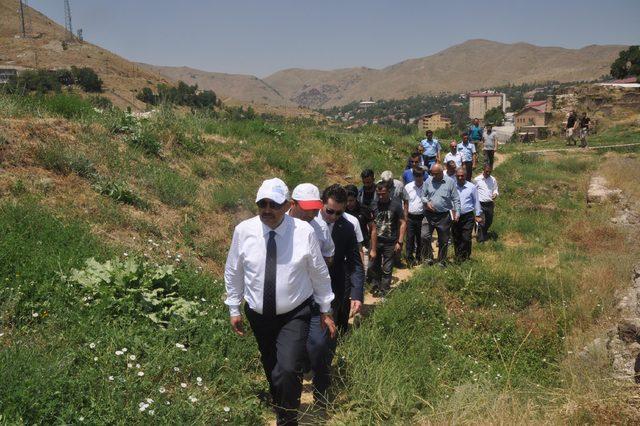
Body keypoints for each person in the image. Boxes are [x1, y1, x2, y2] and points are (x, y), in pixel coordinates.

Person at [224, 178, 336, 425]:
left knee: (288, 367)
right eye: (262, 204)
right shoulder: (244, 231)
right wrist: (234, 307)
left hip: (294, 313)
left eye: (273, 204)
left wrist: (326, 308)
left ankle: (287, 419)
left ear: (286, 205)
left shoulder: (303, 232)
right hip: (258, 313)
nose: (267, 210)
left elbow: (318, 271)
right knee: (272, 365)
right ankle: (281, 404)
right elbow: (234, 270)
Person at [307, 184, 364, 404]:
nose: (334, 216)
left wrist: (357, 294)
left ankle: (322, 388)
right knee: (307, 337)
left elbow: (356, 264)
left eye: (339, 212)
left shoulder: (347, 228)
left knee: (327, 340)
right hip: (304, 290)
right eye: (330, 211)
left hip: (334, 290)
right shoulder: (306, 224)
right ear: (322, 204)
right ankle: (306, 366)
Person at [368, 180, 406, 296]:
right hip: (376, 241)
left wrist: (400, 241)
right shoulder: (373, 205)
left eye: (383, 194)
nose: (381, 196)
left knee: (387, 268)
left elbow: (403, 223)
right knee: (374, 266)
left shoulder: (396, 205)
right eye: (378, 194)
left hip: (390, 242)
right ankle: (375, 286)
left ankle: (384, 291)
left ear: (389, 192)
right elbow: (369, 223)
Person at [421, 164, 460, 267]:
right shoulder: (428, 181)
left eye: (436, 174)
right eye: (432, 174)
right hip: (429, 215)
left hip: (444, 216)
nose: (433, 176)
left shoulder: (450, 182)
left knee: (443, 240)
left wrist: (457, 213)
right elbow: (423, 195)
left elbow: (456, 199)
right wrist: (426, 202)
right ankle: (428, 257)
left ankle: (441, 261)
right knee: (424, 236)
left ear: (442, 172)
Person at [289, 183, 334, 265]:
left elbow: (328, 255)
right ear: (292, 204)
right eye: (306, 209)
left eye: (315, 209)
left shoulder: (322, 227)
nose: (310, 214)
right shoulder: (277, 222)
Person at [452, 167, 482, 262]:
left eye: (462, 176)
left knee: (466, 237)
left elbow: (476, 201)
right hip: (455, 216)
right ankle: (458, 257)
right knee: (456, 237)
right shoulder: (452, 187)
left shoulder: (471, 187)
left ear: (465, 176)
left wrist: (477, 214)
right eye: (458, 176)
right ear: (455, 176)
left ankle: (466, 256)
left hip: (468, 216)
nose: (460, 177)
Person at [402, 166, 427, 266]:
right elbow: (404, 202)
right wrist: (405, 216)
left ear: (423, 175)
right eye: (416, 176)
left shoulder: (427, 186)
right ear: (413, 176)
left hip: (422, 216)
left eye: (420, 175)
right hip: (410, 217)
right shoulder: (408, 187)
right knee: (410, 238)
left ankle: (419, 257)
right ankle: (409, 259)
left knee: (420, 238)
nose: (418, 178)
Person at [474, 164, 499, 243]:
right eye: (486, 171)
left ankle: (483, 232)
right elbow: (473, 191)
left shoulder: (493, 179)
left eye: (490, 172)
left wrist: (495, 194)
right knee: (481, 221)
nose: (488, 173)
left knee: (489, 221)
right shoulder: (477, 179)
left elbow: (495, 189)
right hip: (480, 204)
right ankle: (481, 240)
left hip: (489, 203)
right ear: (483, 170)